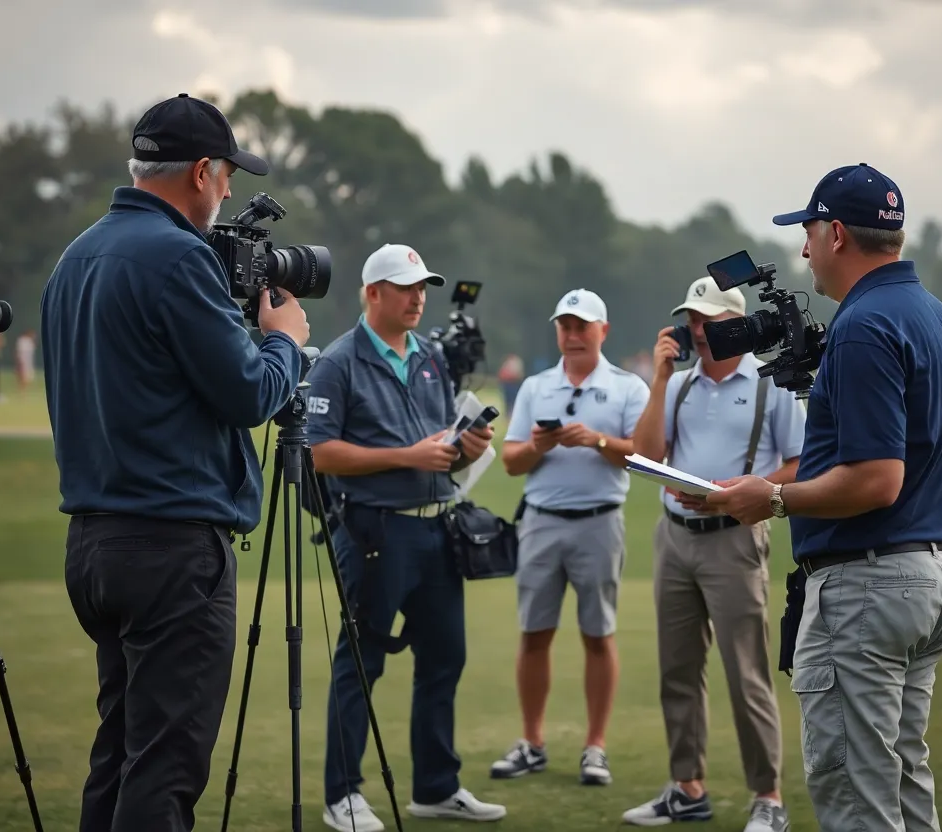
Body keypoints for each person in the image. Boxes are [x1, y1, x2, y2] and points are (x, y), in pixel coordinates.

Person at [40, 93, 310, 832]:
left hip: (94, 542)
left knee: (121, 754)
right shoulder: (177, 257)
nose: (227, 192)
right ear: (201, 172)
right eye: (226, 176)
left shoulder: (77, 256)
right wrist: (284, 336)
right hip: (171, 548)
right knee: (164, 771)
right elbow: (251, 392)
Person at [707, 163, 942, 832]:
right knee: (905, 782)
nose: (802, 250)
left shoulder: (862, 327)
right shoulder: (939, 319)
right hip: (927, 577)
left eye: (808, 231)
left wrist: (772, 498)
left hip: (867, 588)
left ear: (834, 233)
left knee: (858, 796)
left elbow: (876, 479)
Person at [306, 242, 503, 832]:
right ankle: (342, 795)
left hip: (436, 529)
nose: (419, 298)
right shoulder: (338, 362)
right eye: (406, 287)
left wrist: (463, 449)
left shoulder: (431, 359)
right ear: (373, 294)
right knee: (361, 664)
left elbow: (438, 444)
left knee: (445, 659)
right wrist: (407, 455)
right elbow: (320, 454)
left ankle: (436, 789)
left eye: (423, 288)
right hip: (373, 532)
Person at [622, 277, 805, 831]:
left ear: (737, 322)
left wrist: (739, 490)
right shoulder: (677, 386)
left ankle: (768, 799)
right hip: (674, 536)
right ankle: (686, 787)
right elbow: (646, 453)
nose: (699, 331)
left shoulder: (772, 386)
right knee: (677, 670)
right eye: (693, 321)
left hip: (735, 539)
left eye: (709, 321)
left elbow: (800, 466)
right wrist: (657, 378)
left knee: (745, 674)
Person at [492, 288, 649, 787]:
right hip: (541, 519)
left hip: (601, 521)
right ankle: (532, 742)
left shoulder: (628, 387)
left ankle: (595, 747)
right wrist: (539, 446)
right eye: (565, 325)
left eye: (583, 326)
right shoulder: (537, 387)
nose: (573, 335)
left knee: (597, 635)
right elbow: (512, 461)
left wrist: (596, 440)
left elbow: (644, 456)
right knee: (534, 633)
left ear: (603, 331)